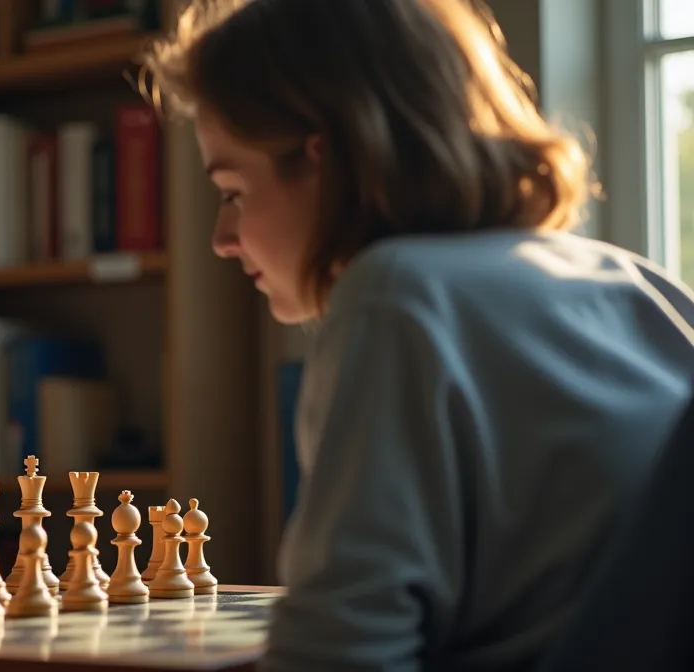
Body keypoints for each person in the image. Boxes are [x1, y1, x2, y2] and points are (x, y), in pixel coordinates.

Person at [141, 0, 694, 670]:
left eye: (233, 191)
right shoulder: (636, 283)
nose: (221, 241)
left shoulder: (395, 295)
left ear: (324, 160)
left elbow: (338, 655)